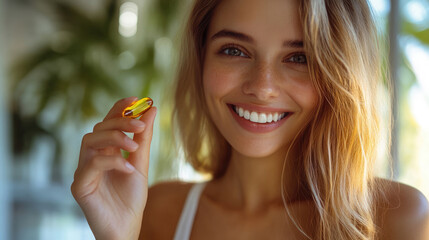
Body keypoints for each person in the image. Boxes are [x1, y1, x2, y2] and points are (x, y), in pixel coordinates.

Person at [71, 0, 429, 239]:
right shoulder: (156, 212)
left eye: (299, 57)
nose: (262, 87)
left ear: (341, 74)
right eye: (233, 50)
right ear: (201, 60)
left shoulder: (399, 220)